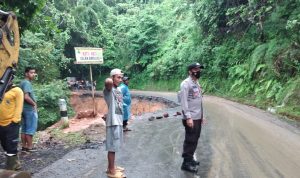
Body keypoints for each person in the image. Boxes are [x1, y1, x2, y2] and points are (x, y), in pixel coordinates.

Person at [179, 62, 205, 173]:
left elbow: (199, 101)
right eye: (196, 69)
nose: (198, 71)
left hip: (197, 116)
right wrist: (188, 117)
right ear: (190, 71)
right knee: (190, 140)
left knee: (195, 138)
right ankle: (186, 163)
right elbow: (184, 102)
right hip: (191, 117)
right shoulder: (185, 84)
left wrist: (202, 116)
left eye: (199, 69)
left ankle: (190, 160)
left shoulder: (196, 83)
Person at [103, 68, 126, 178]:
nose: (120, 79)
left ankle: (111, 167)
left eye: (121, 77)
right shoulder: (109, 89)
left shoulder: (119, 90)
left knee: (115, 146)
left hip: (118, 121)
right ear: (113, 78)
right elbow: (108, 82)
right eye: (118, 77)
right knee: (112, 147)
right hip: (113, 122)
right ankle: (111, 171)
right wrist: (111, 78)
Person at [0, 81, 24, 170]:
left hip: (11, 123)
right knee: (4, 145)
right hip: (0, 123)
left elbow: (19, 107)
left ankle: (10, 168)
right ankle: (16, 164)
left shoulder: (17, 90)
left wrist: (15, 121)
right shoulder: (1, 90)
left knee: (11, 145)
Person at [20, 67, 38, 153]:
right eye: (31, 73)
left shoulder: (22, 82)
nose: (33, 74)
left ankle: (24, 147)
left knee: (24, 128)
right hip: (29, 109)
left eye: (34, 73)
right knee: (30, 128)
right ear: (26, 73)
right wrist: (34, 104)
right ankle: (30, 147)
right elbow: (26, 97)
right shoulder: (27, 83)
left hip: (23, 109)